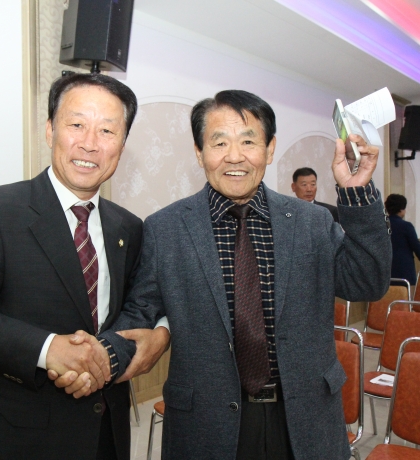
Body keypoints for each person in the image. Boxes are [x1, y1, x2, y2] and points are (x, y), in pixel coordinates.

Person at [69, 89, 390, 459]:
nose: (234, 156)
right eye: (219, 142)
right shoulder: (166, 228)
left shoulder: (312, 222)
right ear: (199, 152)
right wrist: (103, 354)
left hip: (304, 418)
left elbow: (368, 283)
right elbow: (141, 311)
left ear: (270, 149)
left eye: (248, 141)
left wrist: (357, 193)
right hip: (206, 423)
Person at [0, 73, 170, 460]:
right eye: (76, 124)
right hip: (20, 435)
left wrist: (161, 333)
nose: (90, 143)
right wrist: (48, 349)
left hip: (106, 432)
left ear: (122, 146)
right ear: (50, 130)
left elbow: (140, 303)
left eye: (107, 130)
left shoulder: (128, 227)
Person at [385, 193, 420, 285]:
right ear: (401, 210)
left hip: (385, 268)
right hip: (403, 268)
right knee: (404, 291)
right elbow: (416, 245)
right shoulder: (406, 226)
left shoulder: (381, 226)